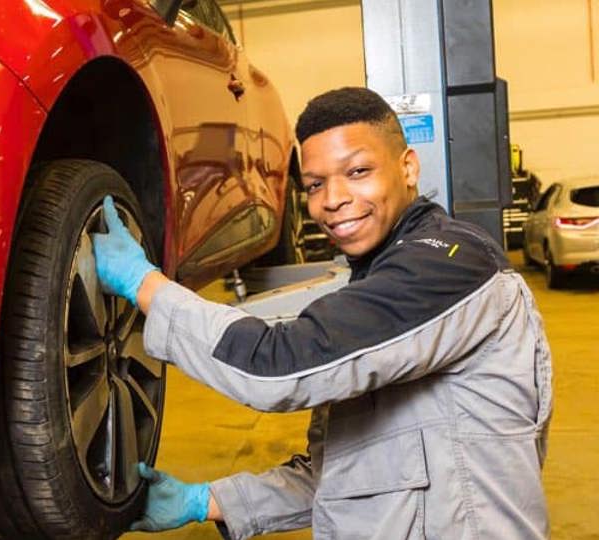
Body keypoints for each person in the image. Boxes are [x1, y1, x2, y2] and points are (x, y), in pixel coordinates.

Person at [93, 87, 553, 539]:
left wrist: (147, 286)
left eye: (357, 171)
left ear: (408, 167)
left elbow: (279, 364)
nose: (332, 199)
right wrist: (207, 501)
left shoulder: (449, 264)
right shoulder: (374, 285)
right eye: (315, 185)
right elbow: (347, 475)